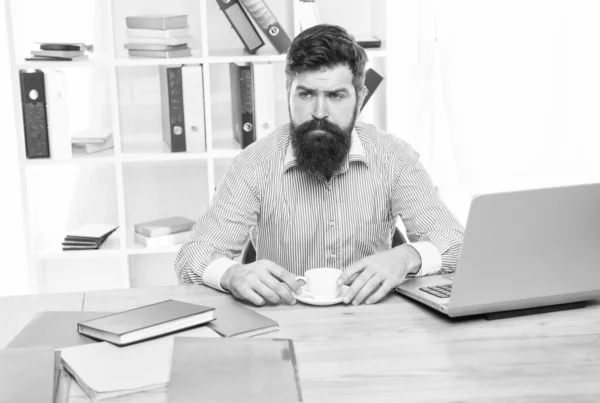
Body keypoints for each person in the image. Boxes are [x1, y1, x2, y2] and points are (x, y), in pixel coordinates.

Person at [175, 24, 464, 306]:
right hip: (286, 322)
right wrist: (231, 273)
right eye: (306, 94)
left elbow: (456, 242)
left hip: (372, 324)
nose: (319, 112)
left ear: (360, 98)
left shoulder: (394, 157)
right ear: (288, 91)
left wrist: (406, 257)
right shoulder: (254, 165)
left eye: (336, 96)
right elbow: (191, 258)